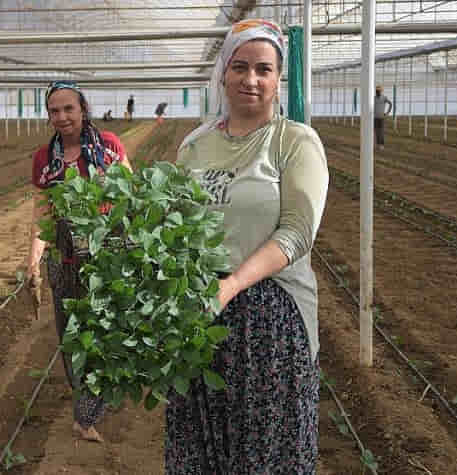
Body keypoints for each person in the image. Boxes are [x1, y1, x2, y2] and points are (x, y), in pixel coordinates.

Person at [171, 19, 328, 474]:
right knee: (199, 450)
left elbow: (297, 233)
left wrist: (231, 285)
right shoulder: (195, 146)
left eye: (264, 69)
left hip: (270, 323)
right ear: (223, 73)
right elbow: (175, 226)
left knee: (264, 455)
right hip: (200, 317)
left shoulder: (294, 142)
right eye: (240, 67)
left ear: (280, 79)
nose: (251, 79)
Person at [26, 80, 133, 443]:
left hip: (106, 256)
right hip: (65, 259)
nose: (61, 117)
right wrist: (33, 259)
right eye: (54, 111)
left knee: (105, 332)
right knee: (71, 335)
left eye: (68, 108)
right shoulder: (45, 159)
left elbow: (129, 197)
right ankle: (85, 396)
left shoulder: (108, 147)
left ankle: (86, 415)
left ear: (83, 109)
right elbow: (42, 216)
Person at [374, 85, 393, 150]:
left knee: (381, 131)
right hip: (375, 117)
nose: (378, 92)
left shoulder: (384, 98)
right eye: (377, 91)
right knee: (376, 131)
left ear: (381, 91)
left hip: (382, 117)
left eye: (379, 91)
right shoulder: (373, 98)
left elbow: (390, 104)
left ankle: (381, 145)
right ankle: (378, 144)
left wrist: (387, 113)